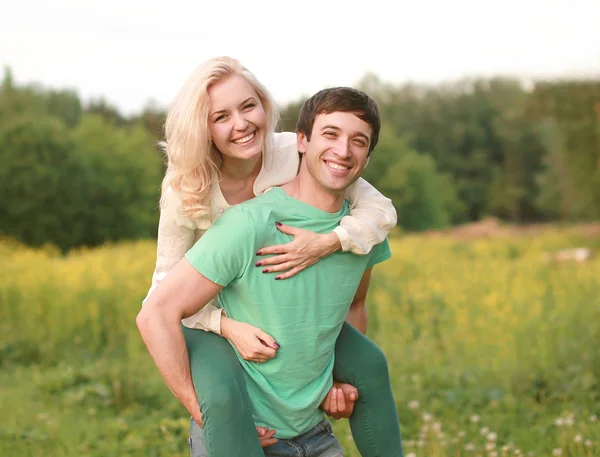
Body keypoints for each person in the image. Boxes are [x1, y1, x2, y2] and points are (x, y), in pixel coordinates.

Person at [141, 57, 403, 456]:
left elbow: (379, 209)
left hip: (279, 310)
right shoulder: (186, 188)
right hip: (209, 312)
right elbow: (162, 294)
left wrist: (327, 242)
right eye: (221, 116)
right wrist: (226, 325)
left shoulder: (293, 151)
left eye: (249, 106)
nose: (241, 123)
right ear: (203, 127)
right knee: (225, 405)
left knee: (369, 364)